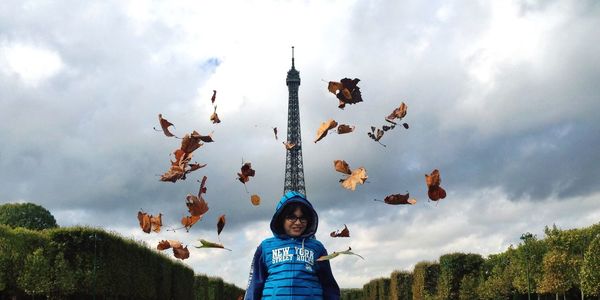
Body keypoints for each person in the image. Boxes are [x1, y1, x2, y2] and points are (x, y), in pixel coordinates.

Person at [244, 191, 340, 299]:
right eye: (292, 217)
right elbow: (254, 284)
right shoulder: (265, 247)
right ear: (281, 219)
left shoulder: (317, 248)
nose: (298, 222)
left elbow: (328, 285)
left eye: (302, 218)